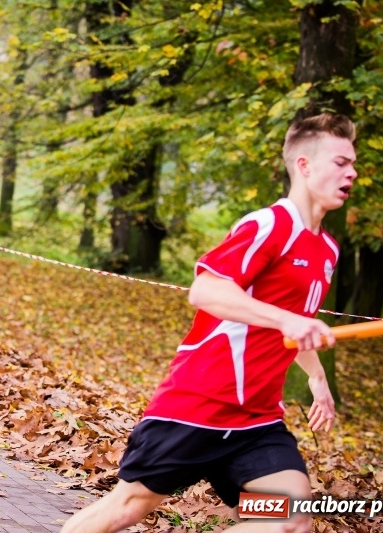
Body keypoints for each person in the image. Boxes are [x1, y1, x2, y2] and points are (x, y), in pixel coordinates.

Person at [62, 113, 358, 533]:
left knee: (289, 519)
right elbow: (206, 291)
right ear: (304, 165)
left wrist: (317, 378)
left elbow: (295, 323)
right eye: (341, 162)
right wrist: (288, 320)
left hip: (256, 420)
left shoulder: (326, 249)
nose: (352, 172)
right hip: (197, 405)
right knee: (127, 507)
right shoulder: (269, 226)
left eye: (353, 164)